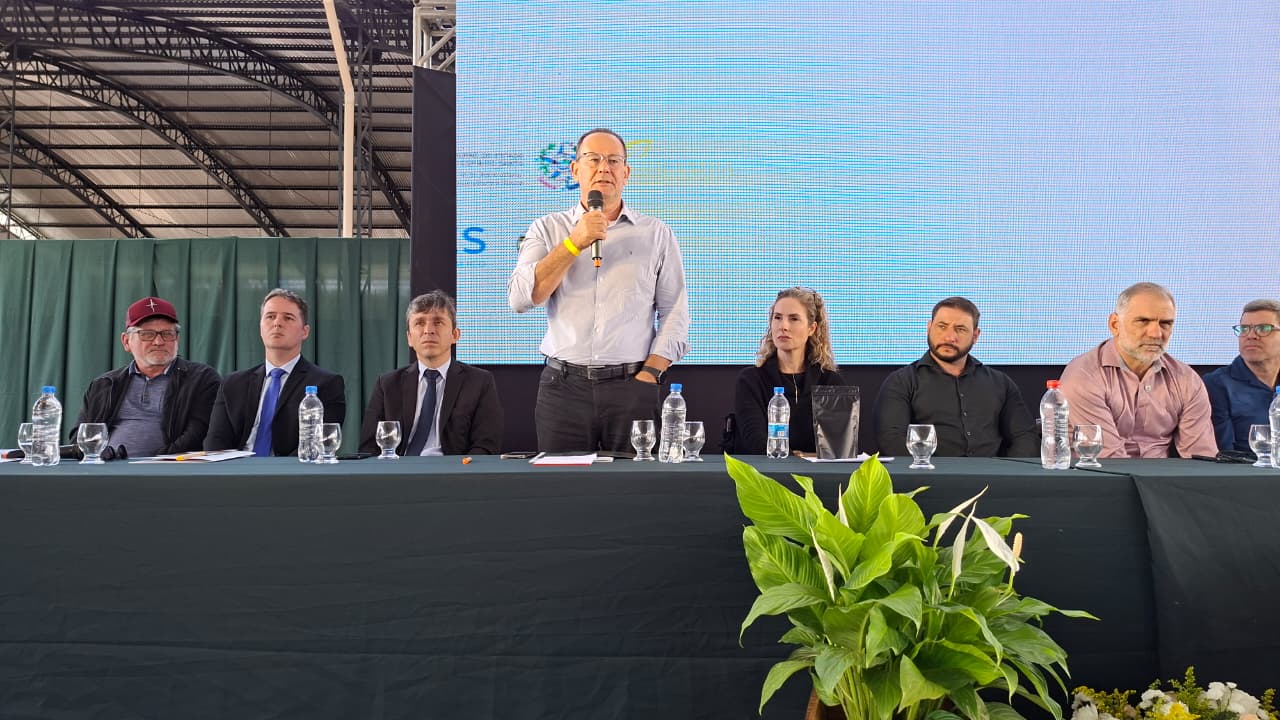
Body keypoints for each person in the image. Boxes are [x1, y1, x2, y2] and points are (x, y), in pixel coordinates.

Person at [508, 127, 689, 452]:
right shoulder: (548, 228)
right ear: (575, 169)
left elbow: (675, 312)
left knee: (634, 494)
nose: (604, 168)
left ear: (626, 173)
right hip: (563, 389)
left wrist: (649, 375)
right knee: (563, 495)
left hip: (631, 387)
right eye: (593, 159)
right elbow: (521, 299)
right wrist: (573, 243)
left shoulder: (655, 233)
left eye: (613, 160)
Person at [1060, 282, 1216, 459]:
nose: (1156, 334)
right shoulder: (1083, 377)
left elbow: (1201, 457)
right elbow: (1109, 459)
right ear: (1114, 324)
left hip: (1163, 481)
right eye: (1143, 321)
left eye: (1165, 323)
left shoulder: (1187, 380)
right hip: (1101, 480)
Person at [874, 296, 1038, 457]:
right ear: (929, 328)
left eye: (960, 329)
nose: (949, 337)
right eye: (942, 326)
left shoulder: (1000, 383)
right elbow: (891, 440)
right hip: (927, 479)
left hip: (993, 480)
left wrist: (1006, 476)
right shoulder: (902, 382)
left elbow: (1025, 437)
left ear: (975, 336)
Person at [359, 291, 503, 456]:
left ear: (455, 335)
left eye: (438, 322)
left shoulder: (479, 382)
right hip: (398, 473)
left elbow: (486, 446)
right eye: (419, 323)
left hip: (454, 474)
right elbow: (368, 448)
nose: (428, 330)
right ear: (409, 338)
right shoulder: (388, 384)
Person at [73, 296, 221, 456]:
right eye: (147, 334)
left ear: (177, 339)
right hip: (107, 471)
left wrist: (155, 463)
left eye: (167, 334)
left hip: (169, 472)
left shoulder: (201, 379)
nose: (158, 341)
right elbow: (79, 437)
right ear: (126, 341)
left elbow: (197, 434)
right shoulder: (104, 384)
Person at [205, 288, 346, 455]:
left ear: (305, 332)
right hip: (237, 473)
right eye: (270, 316)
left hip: (290, 475)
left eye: (288, 318)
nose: (277, 323)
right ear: (260, 327)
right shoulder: (233, 384)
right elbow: (215, 444)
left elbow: (316, 447)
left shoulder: (327, 384)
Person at [730, 287, 847, 454]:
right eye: (777, 318)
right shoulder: (751, 380)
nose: (783, 326)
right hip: (764, 476)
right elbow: (755, 442)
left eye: (793, 319)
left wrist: (805, 456)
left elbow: (838, 448)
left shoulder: (830, 382)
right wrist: (800, 456)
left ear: (811, 328)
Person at [1202, 299, 1280, 453]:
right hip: (1247, 473)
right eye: (1244, 329)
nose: (1251, 335)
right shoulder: (1217, 384)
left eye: (1263, 328)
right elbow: (1225, 455)